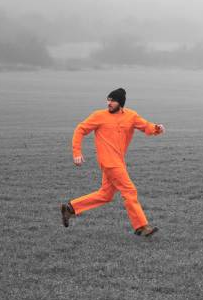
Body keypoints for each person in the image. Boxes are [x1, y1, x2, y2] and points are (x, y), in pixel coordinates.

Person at [60, 88, 165, 237]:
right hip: (109, 162)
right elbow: (80, 129)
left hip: (119, 161)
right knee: (129, 191)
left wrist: (157, 128)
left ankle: (70, 208)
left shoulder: (131, 116)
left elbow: (145, 126)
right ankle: (141, 226)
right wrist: (77, 152)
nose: (109, 103)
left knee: (106, 195)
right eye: (108, 100)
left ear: (120, 103)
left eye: (112, 100)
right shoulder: (99, 116)